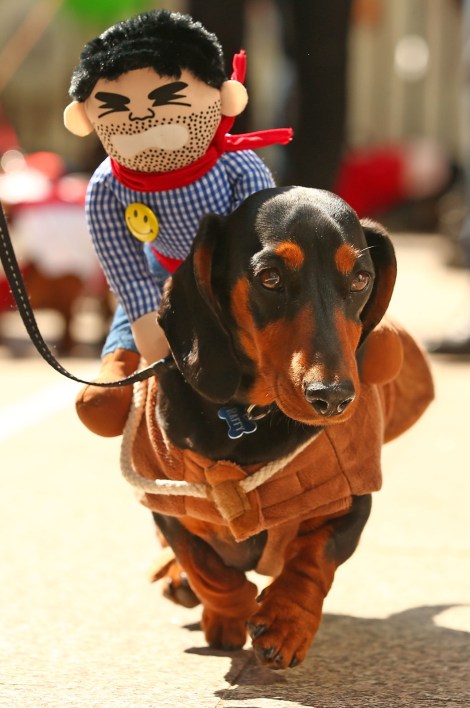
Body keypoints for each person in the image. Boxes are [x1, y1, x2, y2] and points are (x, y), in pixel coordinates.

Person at [64, 9, 292, 436]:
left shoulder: (237, 166)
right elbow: (122, 263)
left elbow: (261, 237)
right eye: (115, 106)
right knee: (135, 322)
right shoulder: (108, 184)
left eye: (163, 98)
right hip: (161, 273)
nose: (137, 117)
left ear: (222, 97)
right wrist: (144, 315)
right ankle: (116, 375)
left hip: (233, 278)